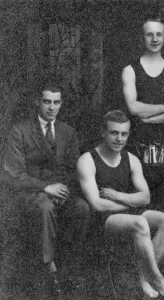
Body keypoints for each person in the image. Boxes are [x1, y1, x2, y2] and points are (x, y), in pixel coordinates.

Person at [77, 110, 164, 299]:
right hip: (103, 221)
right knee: (140, 222)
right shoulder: (87, 160)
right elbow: (97, 204)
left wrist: (117, 195)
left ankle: (143, 279)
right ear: (103, 132)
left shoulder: (131, 159)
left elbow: (146, 197)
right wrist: (131, 204)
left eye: (124, 134)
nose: (119, 139)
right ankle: (157, 278)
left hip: (127, 213)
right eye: (114, 133)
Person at [3, 83, 90, 297]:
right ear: (37, 102)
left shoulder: (68, 132)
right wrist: (45, 187)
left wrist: (61, 190)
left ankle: (71, 269)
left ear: (61, 104)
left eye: (56, 102)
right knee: (45, 206)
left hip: (60, 191)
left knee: (81, 207)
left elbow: (74, 169)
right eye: (47, 101)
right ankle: (49, 268)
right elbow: (13, 173)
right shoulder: (20, 131)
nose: (52, 107)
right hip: (29, 193)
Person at [122, 14, 164, 155]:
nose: (155, 39)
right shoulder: (130, 71)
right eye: (149, 35)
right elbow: (133, 107)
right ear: (142, 38)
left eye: (159, 34)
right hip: (136, 143)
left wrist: (151, 120)